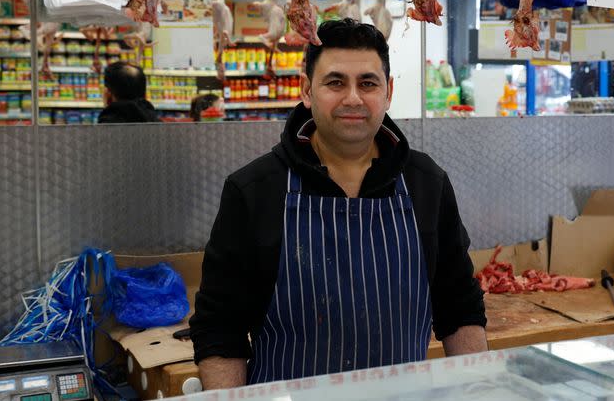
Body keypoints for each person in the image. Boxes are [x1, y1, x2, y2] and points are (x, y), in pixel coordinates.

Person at [190, 19, 487, 390]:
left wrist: (481, 389)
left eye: (367, 83)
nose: (352, 98)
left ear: (388, 91)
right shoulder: (254, 190)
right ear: (306, 90)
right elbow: (221, 327)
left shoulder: (426, 183)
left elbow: (458, 307)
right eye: (335, 82)